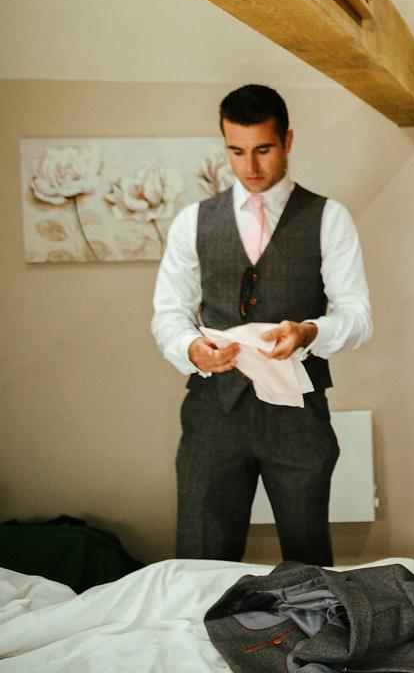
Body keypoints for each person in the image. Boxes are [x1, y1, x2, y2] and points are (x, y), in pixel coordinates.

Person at [152, 84, 371, 566]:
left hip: (298, 412)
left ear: (287, 141)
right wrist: (192, 348)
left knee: (307, 559)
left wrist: (309, 332)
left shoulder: (328, 218)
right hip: (213, 411)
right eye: (236, 151)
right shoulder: (193, 221)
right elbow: (169, 312)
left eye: (263, 149)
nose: (250, 166)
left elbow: (356, 315)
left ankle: (312, 641)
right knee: (200, 557)